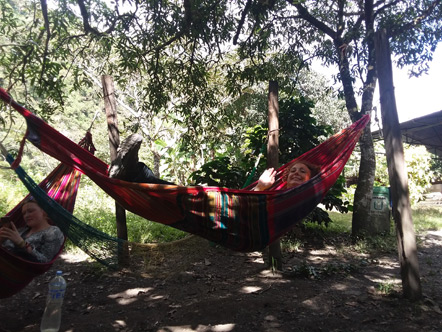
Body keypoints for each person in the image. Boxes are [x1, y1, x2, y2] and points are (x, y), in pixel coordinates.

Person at [0, 198, 64, 263]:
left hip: (23, 269)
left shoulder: (53, 232)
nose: (26, 216)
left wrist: (23, 244)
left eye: (31, 211)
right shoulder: (22, 230)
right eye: (24, 213)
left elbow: (45, 260)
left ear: (44, 211)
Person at [253, 160, 320, 191]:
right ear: (287, 178)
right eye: (293, 171)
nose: (296, 173)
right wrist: (260, 187)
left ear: (311, 179)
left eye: (302, 171)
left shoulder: (307, 200)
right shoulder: (274, 197)